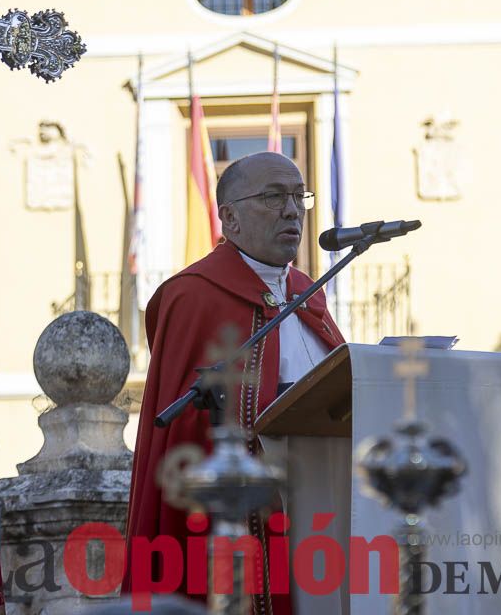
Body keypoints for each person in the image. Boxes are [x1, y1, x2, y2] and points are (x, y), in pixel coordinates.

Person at [125, 151, 347, 614]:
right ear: (229, 218)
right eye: (273, 197)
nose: (292, 210)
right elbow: (185, 430)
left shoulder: (308, 293)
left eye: (297, 197)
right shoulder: (193, 295)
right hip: (242, 510)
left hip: (323, 498)